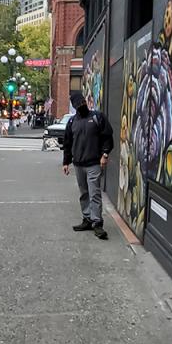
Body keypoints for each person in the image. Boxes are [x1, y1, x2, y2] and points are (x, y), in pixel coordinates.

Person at [62, 93, 114, 240]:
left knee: (94, 193)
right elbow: (67, 143)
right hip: (79, 164)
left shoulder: (98, 117)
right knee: (84, 193)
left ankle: (97, 223)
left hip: (93, 163)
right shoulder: (72, 122)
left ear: (86, 102)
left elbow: (107, 137)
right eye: (78, 104)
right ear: (74, 106)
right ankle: (87, 218)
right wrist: (66, 162)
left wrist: (105, 154)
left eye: (82, 102)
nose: (81, 105)